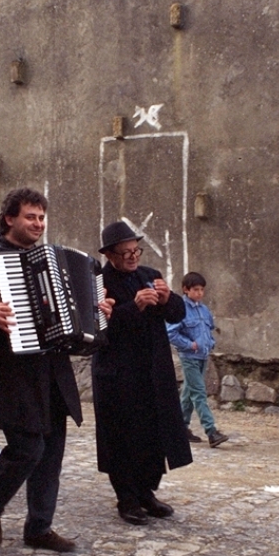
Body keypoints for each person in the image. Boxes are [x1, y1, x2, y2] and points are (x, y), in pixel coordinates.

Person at [0, 187, 110, 553]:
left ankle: (39, 527)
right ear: (9, 218)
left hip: (51, 370)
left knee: (52, 452)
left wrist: (97, 311)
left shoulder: (49, 258)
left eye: (42, 217)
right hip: (9, 371)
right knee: (28, 448)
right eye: (30, 216)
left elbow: (73, 314)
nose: (38, 224)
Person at [92, 221, 193, 526]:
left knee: (153, 433)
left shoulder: (150, 276)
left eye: (136, 250)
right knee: (121, 435)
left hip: (152, 370)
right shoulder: (100, 282)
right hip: (118, 373)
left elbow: (178, 313)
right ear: (110, 255)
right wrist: (132, 307)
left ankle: (148, 492)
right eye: (125, 253)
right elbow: (99, 327)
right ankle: (127, 498)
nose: (133, 257)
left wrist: (167, 298)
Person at [166, 272, 230, 448]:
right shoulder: (180, 309)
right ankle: (211, 431)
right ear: (186, 290)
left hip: (203, 356)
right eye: (196, 289)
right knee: (199, 392)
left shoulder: (203, 310)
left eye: (202, 290)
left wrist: (210, 343)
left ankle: (180, 428)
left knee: (189, 392)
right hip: (189, 357)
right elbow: (170, 332)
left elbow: (208, 329)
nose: (200, 293)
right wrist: (189, 345)